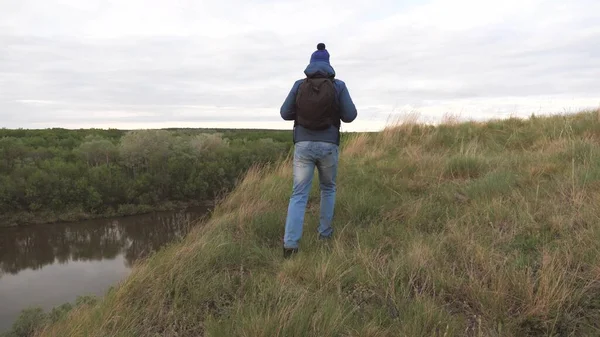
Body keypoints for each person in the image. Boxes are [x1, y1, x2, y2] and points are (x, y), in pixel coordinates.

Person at [279, 43, 357, 258]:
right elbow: (350, 116)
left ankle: (290, 245)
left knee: (299, 194)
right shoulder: (338, 86)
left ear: (311, 64)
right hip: (328, 146)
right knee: (328, 189)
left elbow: (285, 114)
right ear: (329, 64)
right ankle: (324, 236)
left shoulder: (298, 85)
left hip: (303, 145)